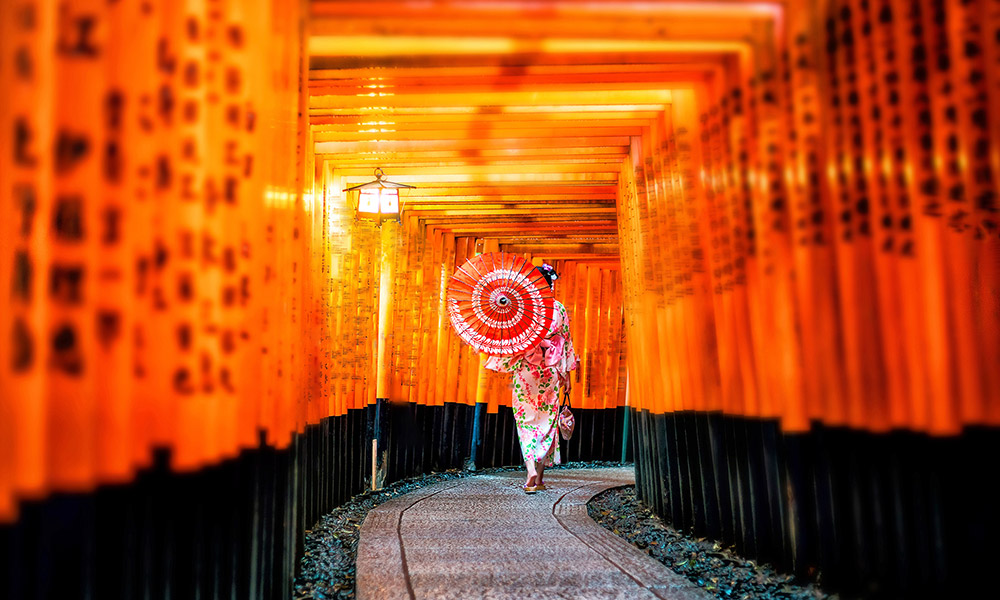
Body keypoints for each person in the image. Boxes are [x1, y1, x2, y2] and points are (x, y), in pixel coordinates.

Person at [485, 263, 579, 493]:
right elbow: (565, 341)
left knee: (525, 421)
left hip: (527, 370)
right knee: (547, 422)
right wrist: (565, 373)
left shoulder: (523, 310)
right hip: (551, 369)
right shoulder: (559, 309)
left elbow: (510, 339)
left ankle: (530, 471)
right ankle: (539, 480)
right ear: (550, 285)